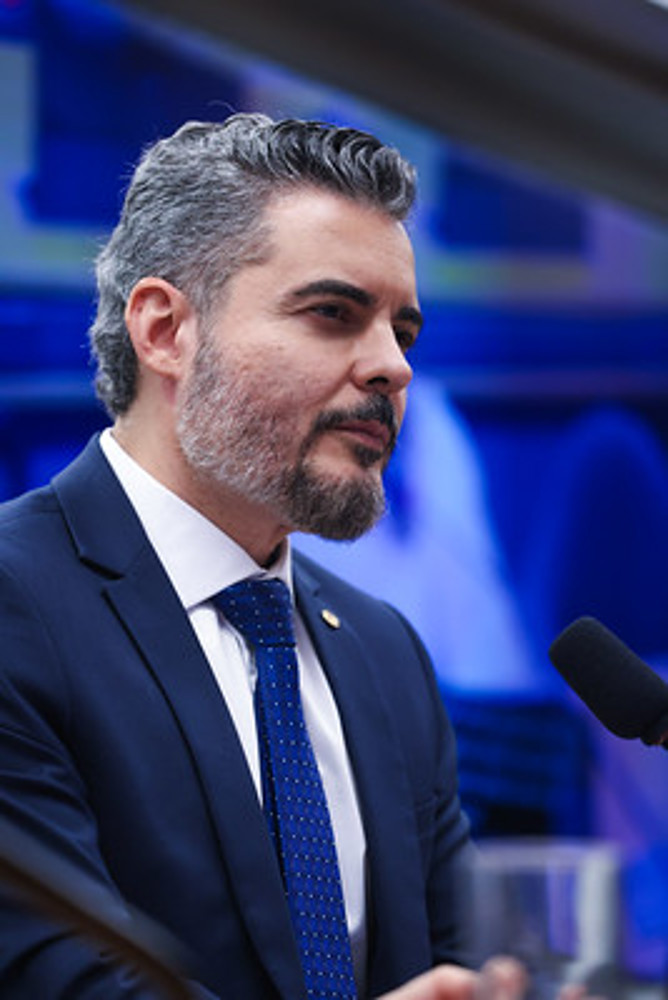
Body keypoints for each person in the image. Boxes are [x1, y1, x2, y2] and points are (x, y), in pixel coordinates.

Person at [0, 113, 476, 999]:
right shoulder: (13, 605)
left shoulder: (384, 651)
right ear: (165, 330)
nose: (392, 367)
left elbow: (456, 967)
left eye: (403, 332)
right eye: (333, 314)